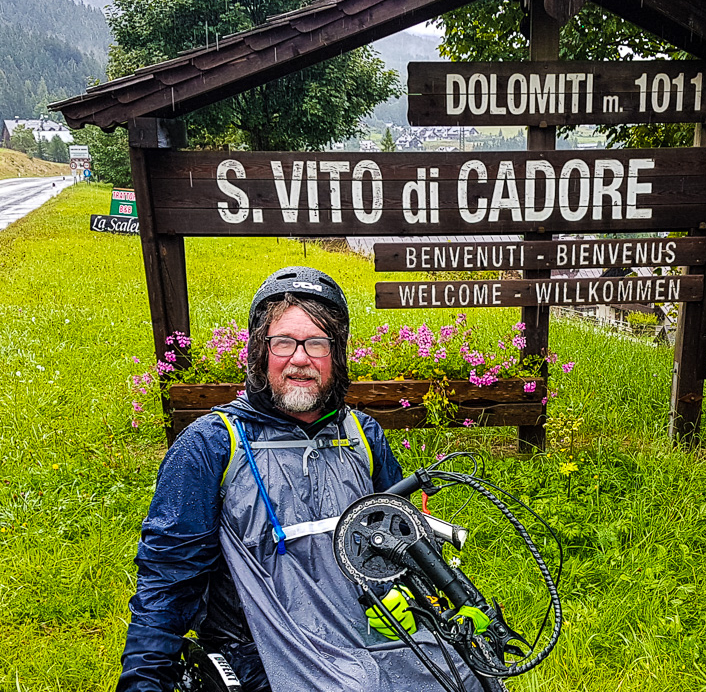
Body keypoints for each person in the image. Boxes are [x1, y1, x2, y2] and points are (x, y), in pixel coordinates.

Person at [118, 266, 485, 692]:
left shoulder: (363, 436)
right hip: (262, 648)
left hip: (367, 632)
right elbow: (167, 580)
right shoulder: (212, 445)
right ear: (260, 351)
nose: (300, 358)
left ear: (337, 354)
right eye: (283, 342)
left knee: (471, 676)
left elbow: (399, 548)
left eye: (317, 343)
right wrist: (143, 679)